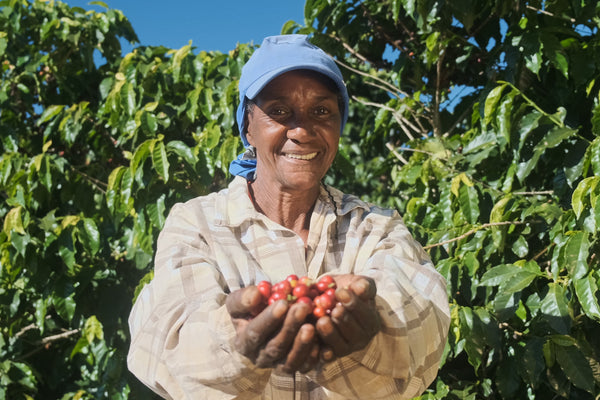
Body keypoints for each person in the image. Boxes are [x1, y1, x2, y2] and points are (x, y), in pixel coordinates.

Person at [127, 34, 450, 399]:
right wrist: (231, 338)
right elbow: (168, 345)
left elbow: (425, 319)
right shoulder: (198, 223)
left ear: (339, 127)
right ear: (248, 126)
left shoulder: (374, 227)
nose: (301, 131)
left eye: (322, 111)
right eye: (279, 111)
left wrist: (375, 325)